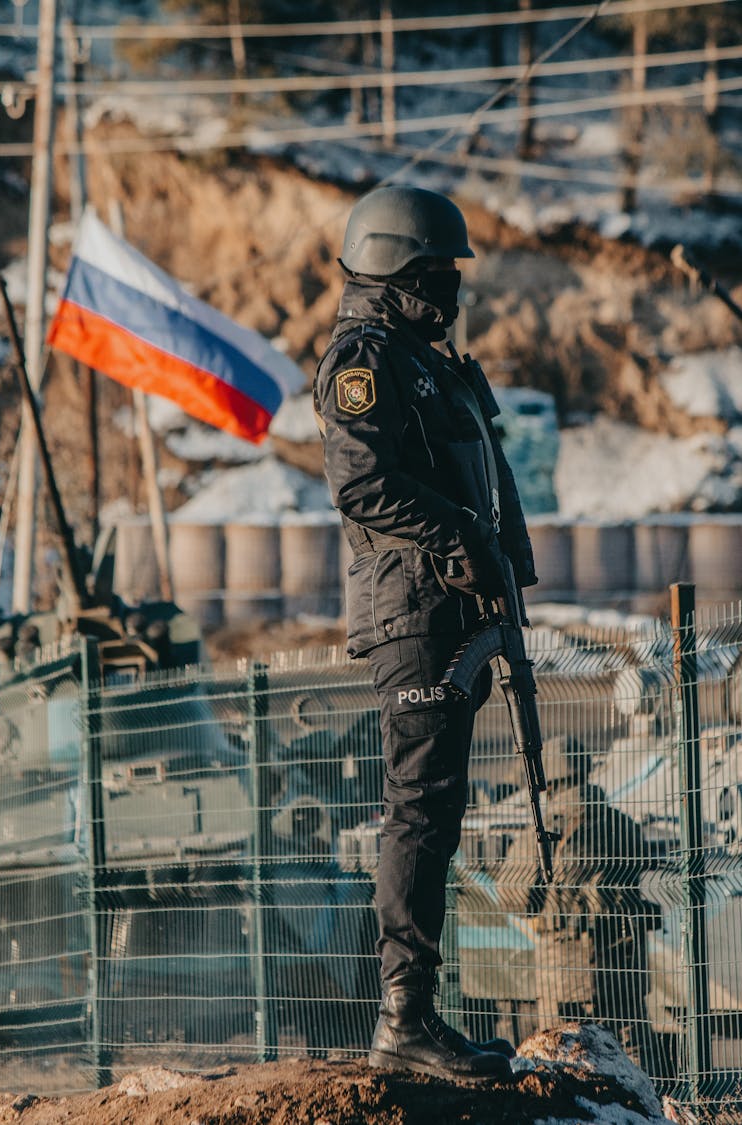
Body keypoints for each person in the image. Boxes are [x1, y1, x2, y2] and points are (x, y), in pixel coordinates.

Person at [313, 184, 537, 1079]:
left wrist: (506, 571)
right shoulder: (363, 360)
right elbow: (361, 484)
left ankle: (417, 1017)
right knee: (418, 812)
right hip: (411, 612)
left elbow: (488, 474)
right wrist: (464, 539)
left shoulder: (431, 362)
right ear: (395, 270)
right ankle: (403, 1023)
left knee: (437, 812)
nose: (451, 287)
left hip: (457, 611)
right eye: (437, 271)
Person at [494, 735, 664, 1075]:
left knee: (566, 1060)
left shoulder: (545, 832)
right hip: (625, 964)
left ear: (551, 781)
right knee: (632, 1055)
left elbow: (513, 895)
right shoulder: (623, 825)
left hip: (565, 972)